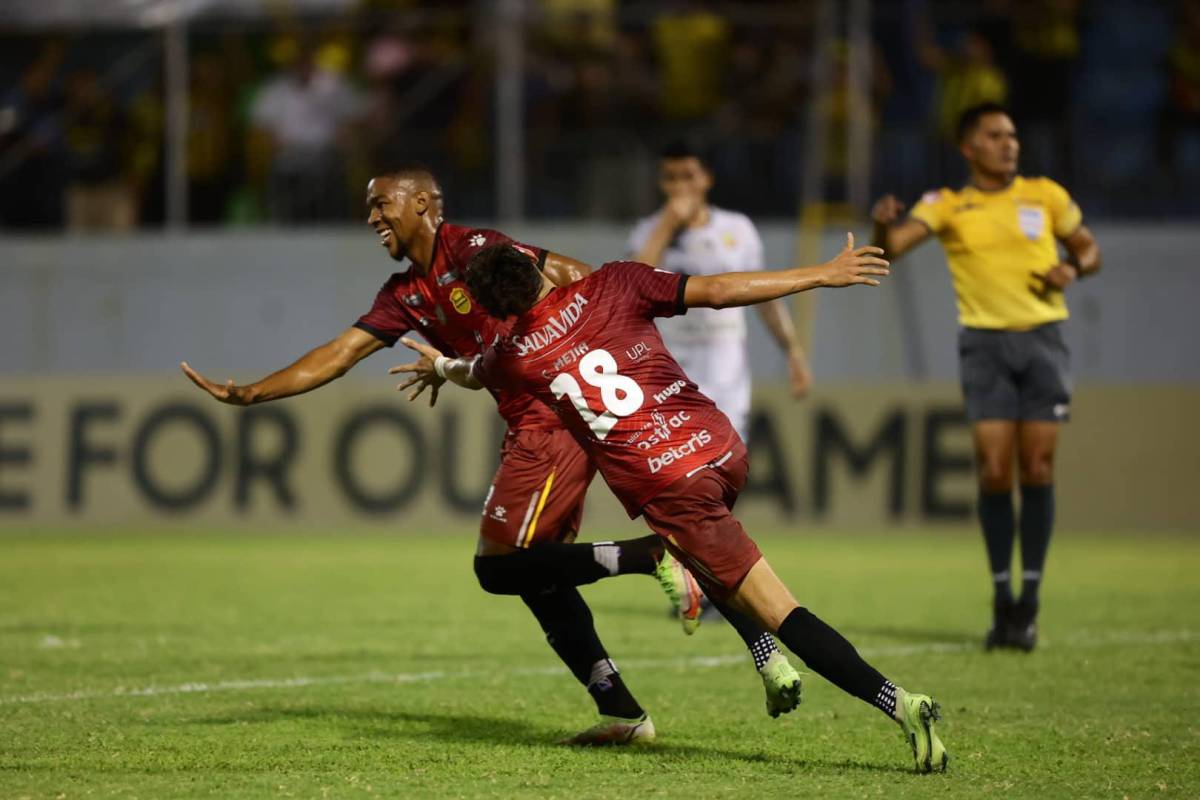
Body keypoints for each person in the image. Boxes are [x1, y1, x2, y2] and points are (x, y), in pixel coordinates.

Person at [179, 166, 802, 744]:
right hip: (529, 420)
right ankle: (632, 705)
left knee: (499, 565)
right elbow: (339, 353)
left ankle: (651, 558)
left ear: (421, 204)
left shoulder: (475, 250)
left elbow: (580, 277)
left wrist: (606, 340)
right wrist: (256, 392)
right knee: (540, 573)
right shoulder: (405, 294)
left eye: (381, 204)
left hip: (550, 419)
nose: (372, 217)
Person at [393, 237, 949, 773]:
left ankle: (898, 701)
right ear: (536, 268)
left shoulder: (514, 355)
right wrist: (821, 274)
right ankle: (764, 657)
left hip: (670, 487)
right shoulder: (615, 280)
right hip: (721, 449)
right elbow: (721, 290)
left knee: (781, 611)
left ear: (496, 309)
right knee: (709, 556)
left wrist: (439, 366)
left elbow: (472, 371)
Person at [869, 102, 1101, 651]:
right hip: (984, 346)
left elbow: (1088, 248)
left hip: (1044, 339)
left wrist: (1074, 267)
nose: (1010, 143)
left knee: (1038, 466)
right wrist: (881, 219)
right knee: (996, 471)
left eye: (1013, 134)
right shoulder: (949, 204)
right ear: (969, 147)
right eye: (996, 135)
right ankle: (1002, 597)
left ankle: (1030, 604)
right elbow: (893, 247)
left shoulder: (1046, 194)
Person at [629, 140, 811, 438]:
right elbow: (633, 285)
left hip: (726, 375)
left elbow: (765, 299)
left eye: (688, 176)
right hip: (669, 374)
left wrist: (792, 351)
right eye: (670, 178)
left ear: (707, 179)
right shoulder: (647, 232)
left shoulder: (737, 229)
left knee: (725, 471)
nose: (679, 187)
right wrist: (668, 224)